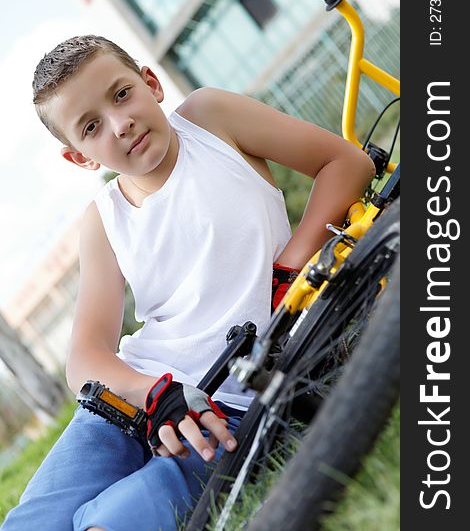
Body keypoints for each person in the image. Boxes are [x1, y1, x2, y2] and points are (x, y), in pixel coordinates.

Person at [2, 35, 375, 531]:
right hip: (136, 398)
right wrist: (152, 393)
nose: (120, 124)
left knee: (108, 524)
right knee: (34, 523)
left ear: (150, 83)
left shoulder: (210, 119)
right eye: (91, 127)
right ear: (81, 158)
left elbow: (347, 163)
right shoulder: (103, 220)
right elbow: (85, 357)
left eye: (121, 94)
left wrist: (289, 266)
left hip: (231, 403)